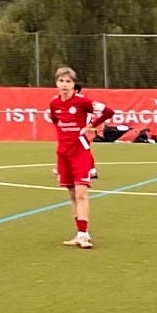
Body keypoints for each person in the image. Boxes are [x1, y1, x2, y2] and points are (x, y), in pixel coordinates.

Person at [47, 66, 112, 250]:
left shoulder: (82, 102)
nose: (64, 84)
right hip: (63, 153)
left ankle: (83, 235)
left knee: (81, 193)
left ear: (73, 84)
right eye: (61, 81)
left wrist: (90, 126)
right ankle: (81, 232)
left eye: (68, 81)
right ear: (56, 83)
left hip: (80, 152)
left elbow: (108, 111)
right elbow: (55, 120)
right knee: (72, 194)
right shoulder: (54, 103)